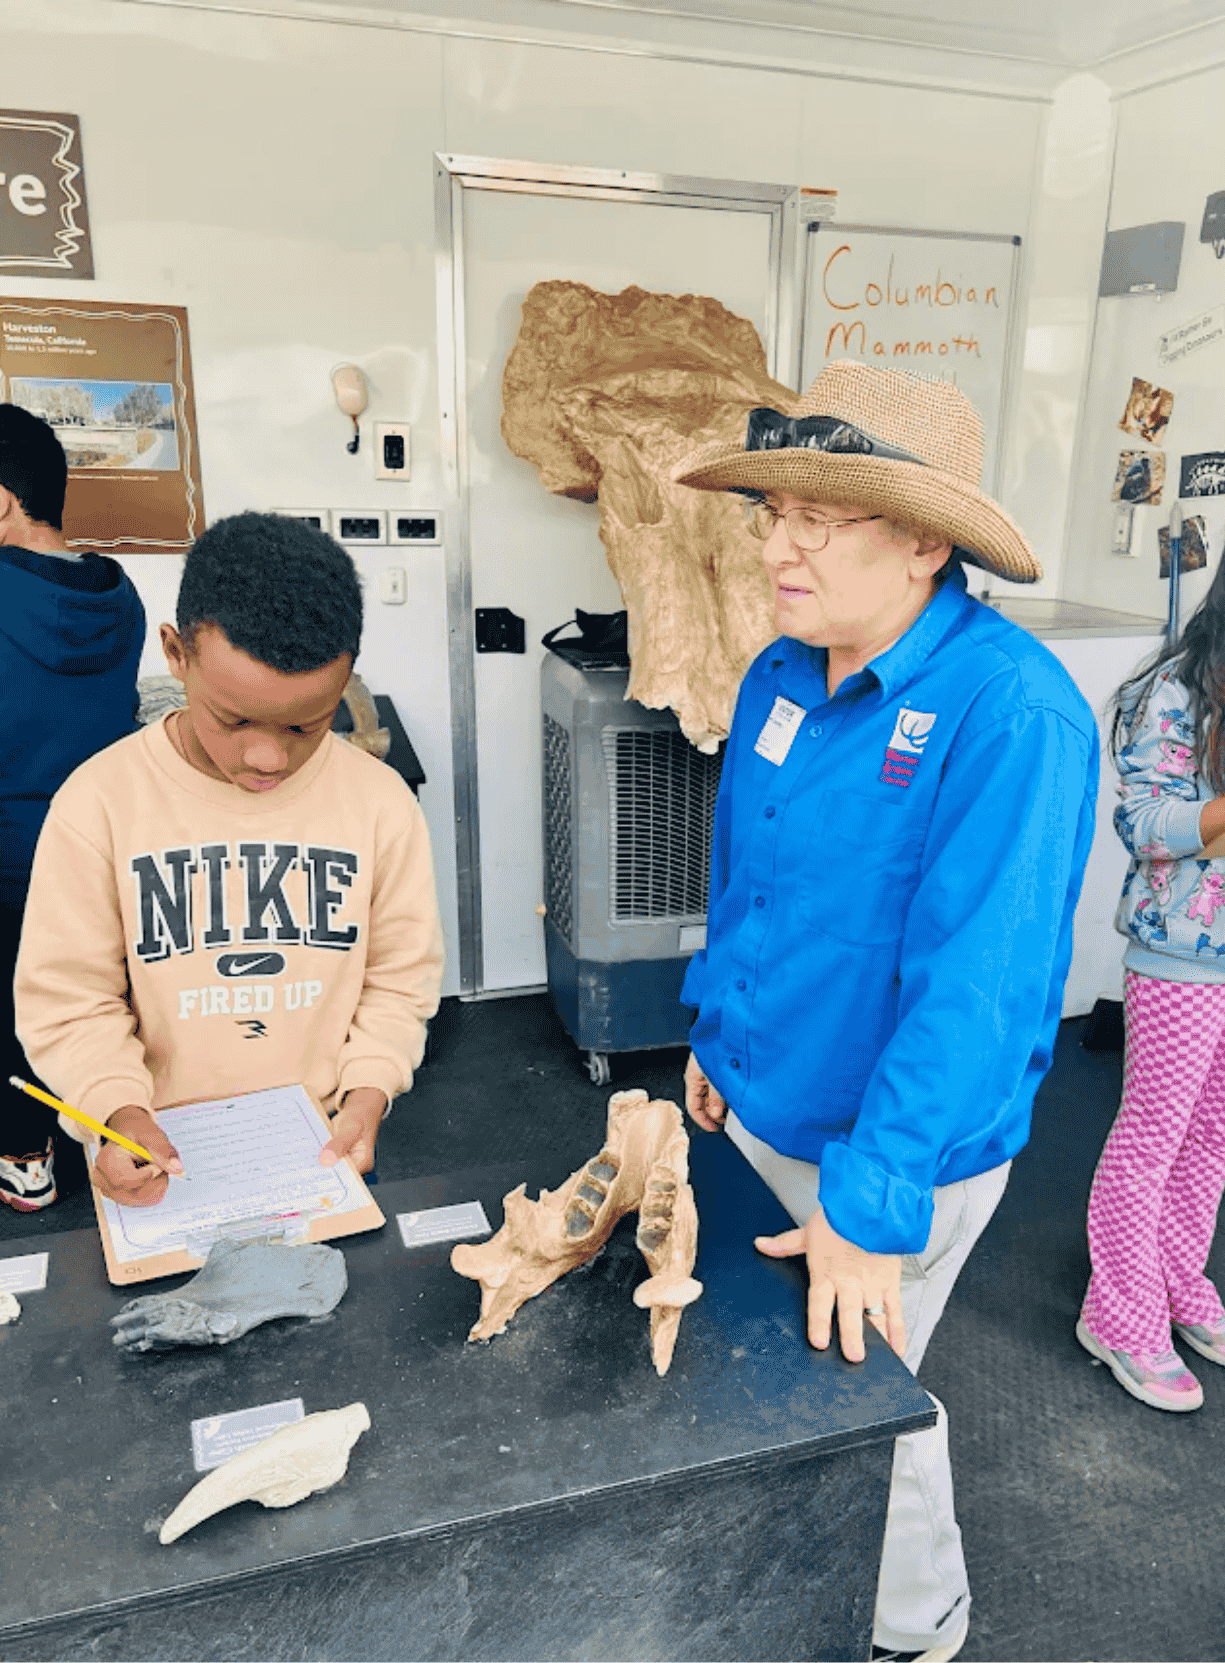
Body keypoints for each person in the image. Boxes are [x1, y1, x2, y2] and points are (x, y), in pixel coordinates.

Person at [673, 362, 1098, 1663]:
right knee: (771, 1370)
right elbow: (748, 875)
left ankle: (915, 1625)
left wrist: (871, 1195)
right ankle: (788, 1565)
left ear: (924, 539)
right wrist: (712, 1025)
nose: (777, 542)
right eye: (772, 510)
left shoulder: (1012, 709)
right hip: (761, 1091)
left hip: (890, 1144)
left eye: (818, 516)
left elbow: (980, 987)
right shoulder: (777, 677)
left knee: (859, 1390)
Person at [14, 511, 443, 1207]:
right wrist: (116, 1109)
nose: (267, 757)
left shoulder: (380, 803)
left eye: (306, 724)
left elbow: (398, 981)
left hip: (318, 1145)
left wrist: (368, 1092)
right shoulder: (97, 803)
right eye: (234, 719)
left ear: (345, 681)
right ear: (176, 655)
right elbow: (69, 1001)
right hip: (158, 1153)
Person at [1077, 560, 1225, 1411]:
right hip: (1179, 954)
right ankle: (1117, 1311)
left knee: (1212, 1137)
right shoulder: (1173, 690)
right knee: (1153, 1137)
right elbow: (1145, 825)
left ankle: (1175, 1278)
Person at [0, 403, 145, 1211]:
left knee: (13, 1009)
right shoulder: (117, 594)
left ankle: (26, 1157)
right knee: (93, 998)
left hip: (10, 851)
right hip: (98, 847)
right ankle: (110, 1136)